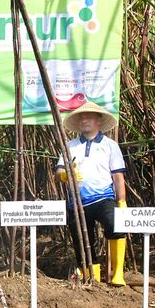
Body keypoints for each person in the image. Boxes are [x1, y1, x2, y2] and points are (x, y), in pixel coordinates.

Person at [55, 101, 127, 285]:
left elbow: (118, 177)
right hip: (78, 201)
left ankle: (117, 273)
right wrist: (65, 175)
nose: (84, 119)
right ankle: (90, 275)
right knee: (82, 239)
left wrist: (122, 201)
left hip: (104, 198)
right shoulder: (69, 145)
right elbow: (58, 172)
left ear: (99, 121)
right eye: (81, 117)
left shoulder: (111, 145)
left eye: (89, 116)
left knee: (115, 227)